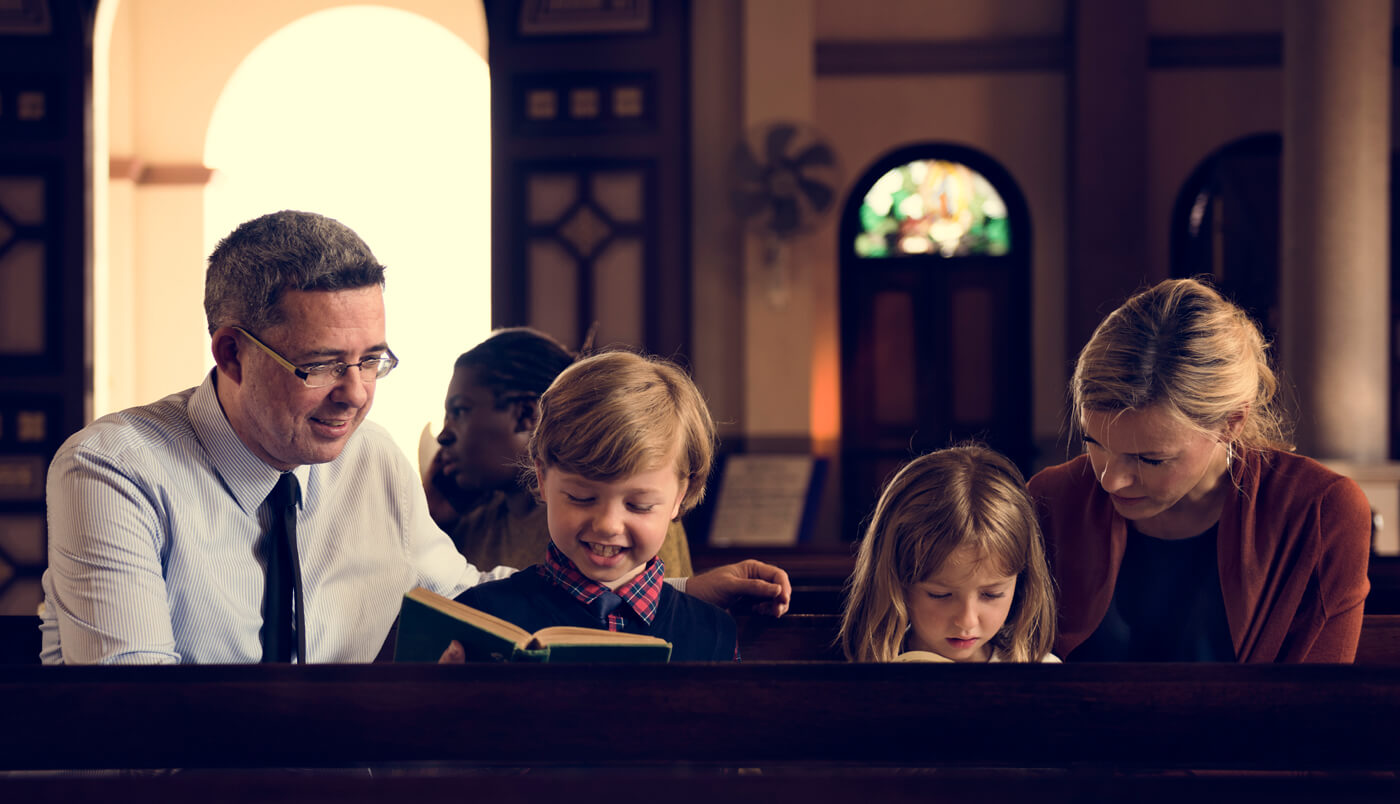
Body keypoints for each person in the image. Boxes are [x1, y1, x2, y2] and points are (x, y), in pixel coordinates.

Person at [38, 210, 789, 665]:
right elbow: (131, 708)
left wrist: (676, 592)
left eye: (373, 361)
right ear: (231, 353)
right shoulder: (115, 470)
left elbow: (467, 595)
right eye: (323, 365)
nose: (357, 395)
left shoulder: (369, 456)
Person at [1029, 278, 1372, 662]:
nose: (1110, 479)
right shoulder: (1050, 500)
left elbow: (1316, 708)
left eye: (1150, 459)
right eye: (1095, 443)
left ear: (1231, 423)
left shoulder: (1320, 512)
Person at [453, 350, 735, 661]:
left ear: (680, 497)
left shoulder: (714, 633)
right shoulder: (479, 615)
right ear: (543, 478)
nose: (607, 524)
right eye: (581, 498)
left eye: (639, 505)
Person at [426, 328, 693, 576]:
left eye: (459, 411)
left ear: (526, 414)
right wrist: (433, 523)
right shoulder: (472, 526)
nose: (443, 434)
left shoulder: (632, 523)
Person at [837, 445, 1058, 663]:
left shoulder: (1043, 673)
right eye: (940, 595)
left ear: (1021, 583)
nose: (966, 622)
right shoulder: (861, 679)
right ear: (896, 581)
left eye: (992, 594)